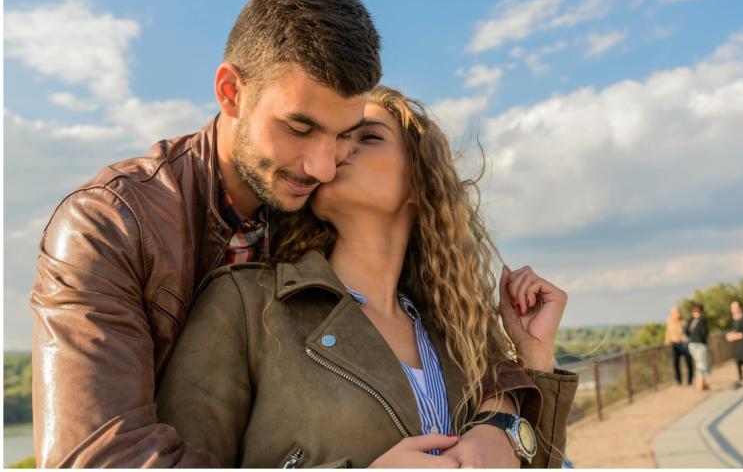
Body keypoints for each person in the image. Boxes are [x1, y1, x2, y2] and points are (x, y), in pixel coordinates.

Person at [29, 0, 538, 467]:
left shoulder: (317, 219)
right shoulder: (108, 225)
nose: (324, 166)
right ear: (231, 92)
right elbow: (97, 458)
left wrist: (503, 418)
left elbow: (463, 336)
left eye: (345, 135)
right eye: (299, 128)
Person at [155, 87, 579, 467]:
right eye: (338, 138)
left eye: (369, 137)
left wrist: (534, 356)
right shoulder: (245, 304)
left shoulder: (458, 333)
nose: (339, 150)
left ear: (420, 183)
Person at [664, 306, 693, 386]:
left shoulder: (684, 321)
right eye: (675, 313)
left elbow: (688, 331)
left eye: (677, 312)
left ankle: (690, 380)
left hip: (684, 344)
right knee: (676, 363)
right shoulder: (669, 321)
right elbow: (667, 332)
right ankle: (678, 381)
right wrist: (667, 340)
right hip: (674, 344)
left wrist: (687, 337)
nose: (677, 314)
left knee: (688, 362)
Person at [685, 303, 710, 391]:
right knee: (701, 364)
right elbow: (704, 333)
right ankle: (701, 385)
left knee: (698, 363)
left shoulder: (690, 320)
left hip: (691, 345)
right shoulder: (702, 321)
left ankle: (701, 384)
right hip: (700, 345)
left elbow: (686, 332)